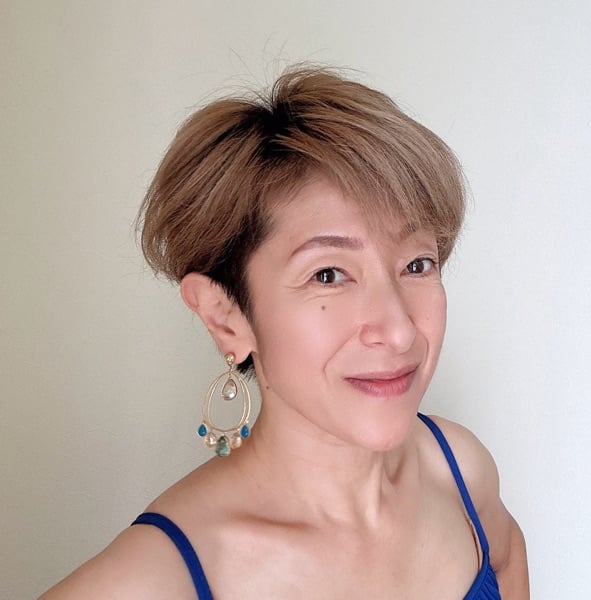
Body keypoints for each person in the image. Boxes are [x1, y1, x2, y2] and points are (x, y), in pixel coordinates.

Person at [40, 65, 529, 599]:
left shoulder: (459, 471)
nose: (398, 330)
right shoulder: (156, 580)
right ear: (225, 317)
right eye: (328, 274)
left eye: (417, 264)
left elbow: (507, 559)